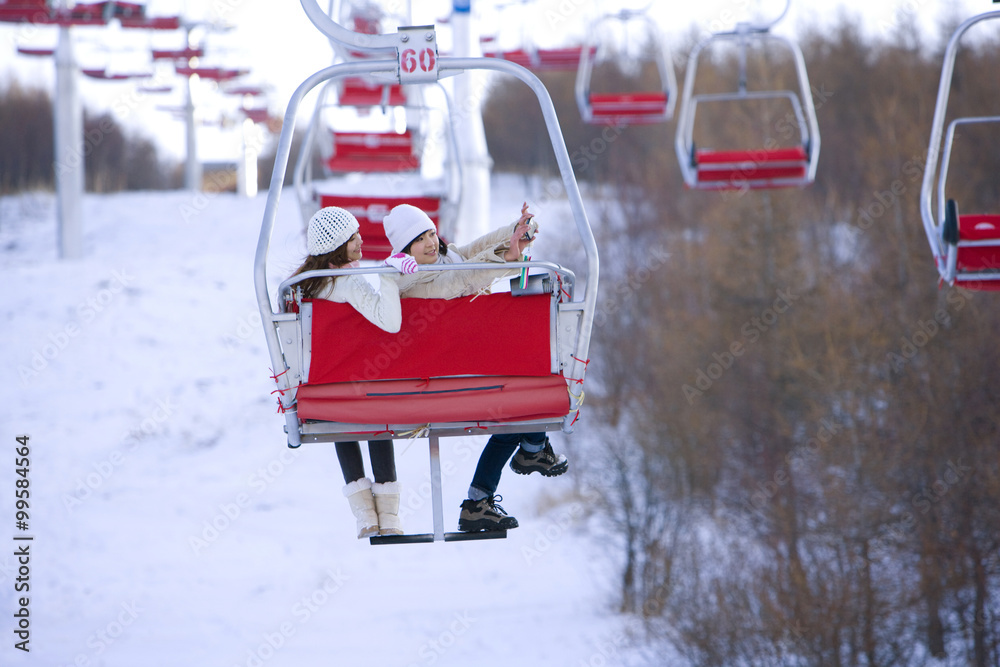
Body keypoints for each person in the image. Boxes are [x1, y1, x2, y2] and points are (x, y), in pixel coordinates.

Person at [381, 203, 570, 533]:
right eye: (418, 240)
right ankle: (533, 448)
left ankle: (480, 500)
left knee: (520, 401)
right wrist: (509, 257)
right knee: (525, 391)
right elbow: (460, 281)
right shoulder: (411, 278)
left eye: (429, 233)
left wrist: (514, 232)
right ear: (404, 250)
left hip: (464, 356)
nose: (429, 243)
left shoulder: (442, 260)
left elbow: (470, 253)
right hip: (445, 367)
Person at [289, 206, 412, 539]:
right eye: (353, 236)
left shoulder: (307, 285)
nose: (361, 239)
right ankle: (388, 516)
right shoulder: (348, 281)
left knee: (343, 424)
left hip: (323, 386)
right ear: (338, 246)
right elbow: (390, 322)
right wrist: (388, 274)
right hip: (363, 382)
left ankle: (364, 516)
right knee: (376, 420)